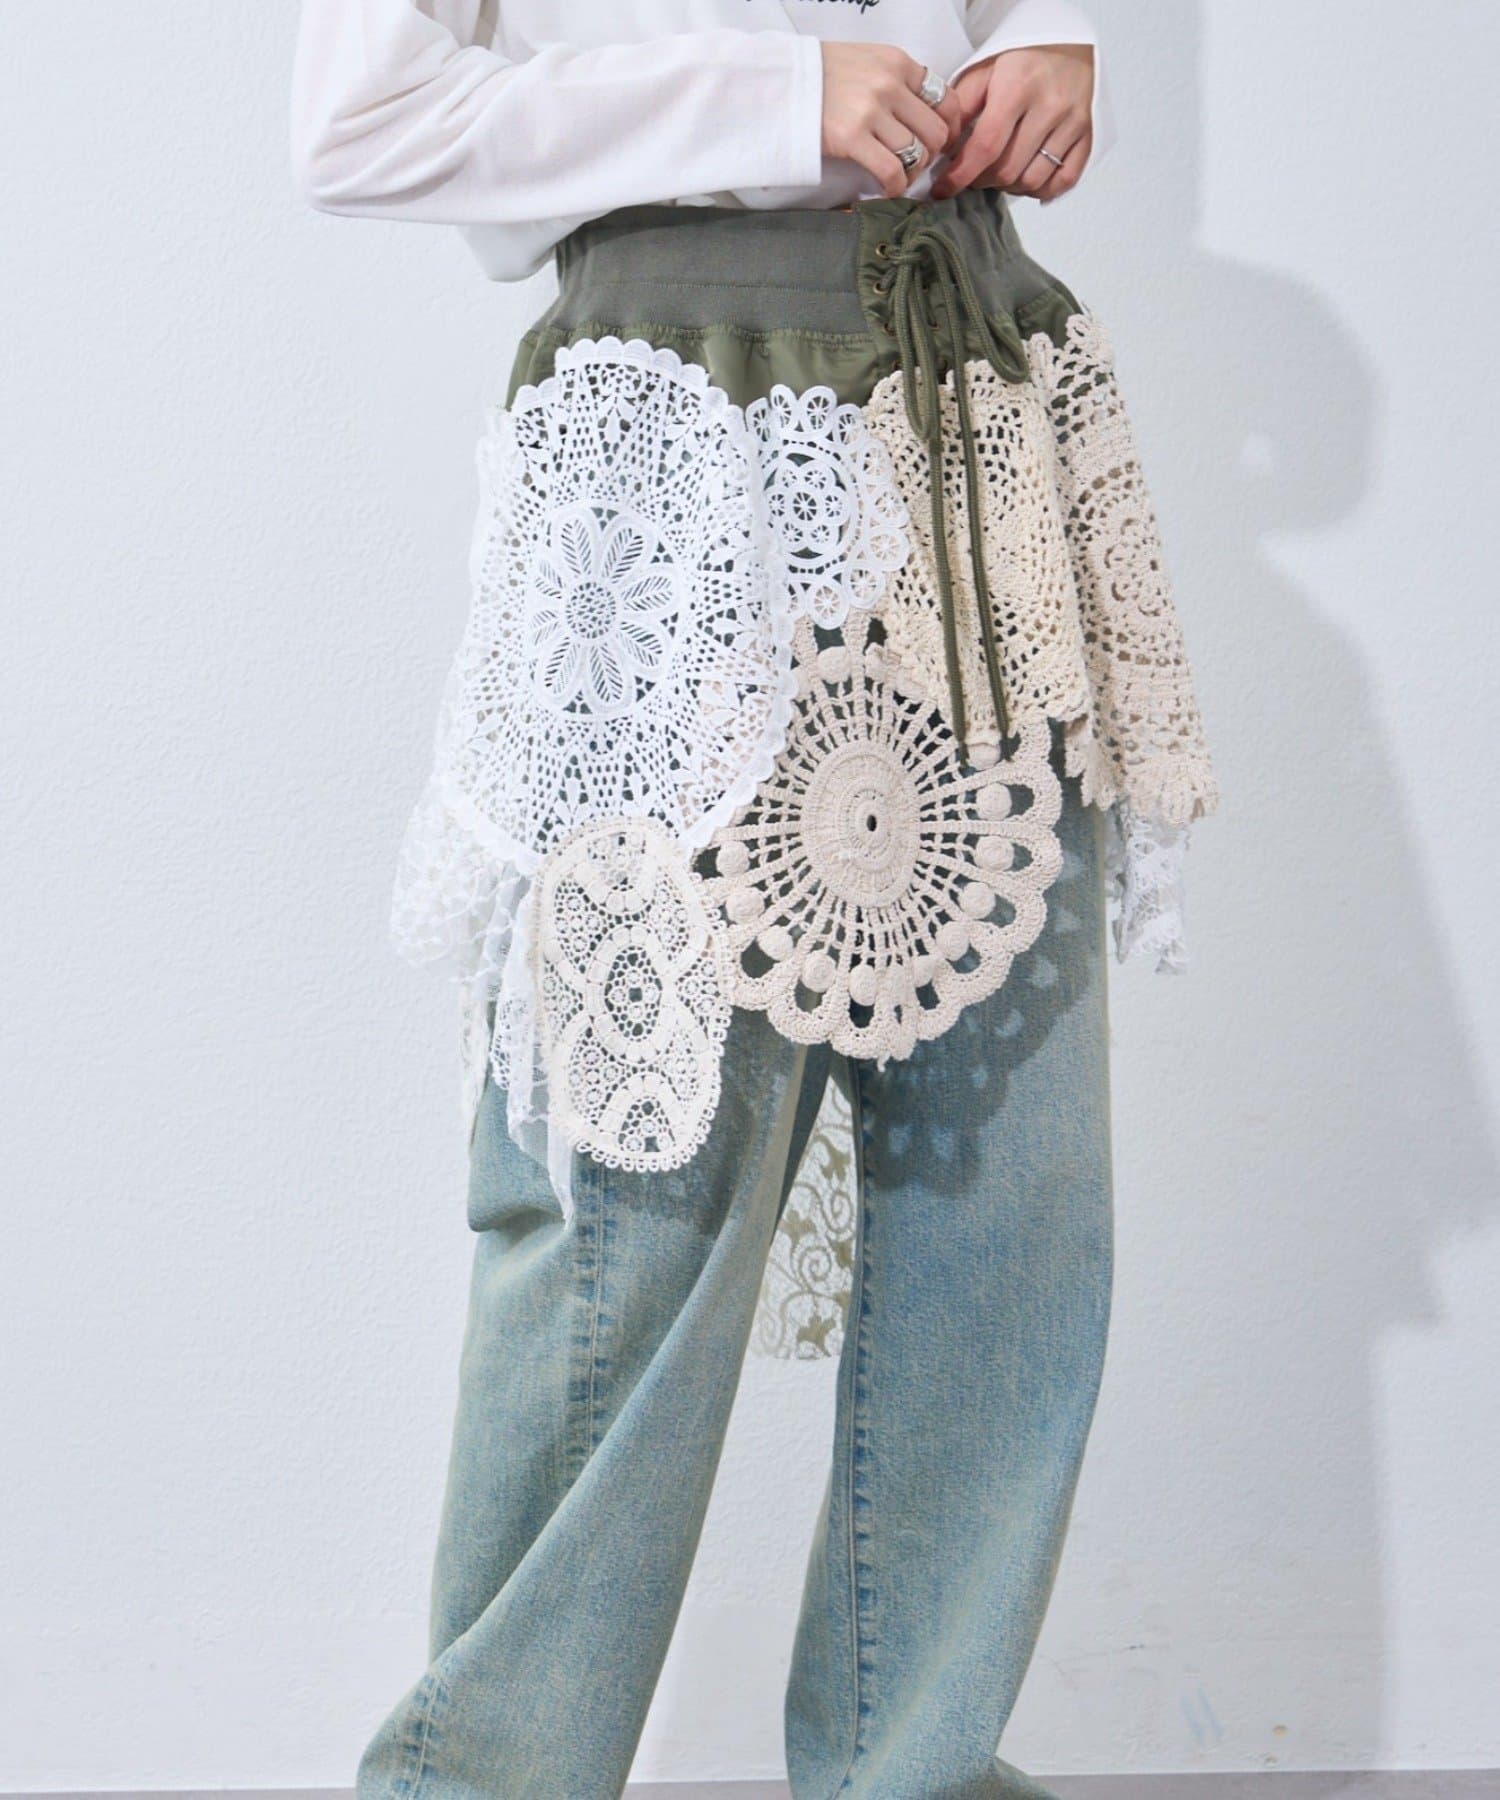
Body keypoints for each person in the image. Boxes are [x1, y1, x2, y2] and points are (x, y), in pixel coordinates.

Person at [291, 5, 1217, 1795]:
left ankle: (910, 1770)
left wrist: (1051, 38)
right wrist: (774, 99)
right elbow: (357, 121)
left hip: (973, 395)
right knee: (633, 1210)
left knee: (1011, 1204)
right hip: (677, 432)